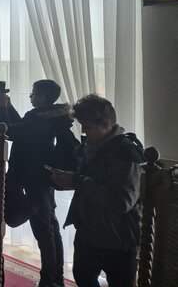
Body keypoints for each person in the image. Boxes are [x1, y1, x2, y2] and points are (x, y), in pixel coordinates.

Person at [50, 95, 144, 287]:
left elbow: (122, 201)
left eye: (87, 126)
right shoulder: (91, 148)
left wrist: (77, 181)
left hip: (118, 239)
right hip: (89, 232)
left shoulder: (126, 152)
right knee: (83, 277)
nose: (83, 131)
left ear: (106, 124)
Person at [0, 79, 72, 287]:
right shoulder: (45, 116)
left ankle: (50, 280)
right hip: (39, 177)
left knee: (44, 231)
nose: (31, 97)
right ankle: (54, 278)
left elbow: (8, 131)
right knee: (49, 227)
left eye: (33, 93)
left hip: (35, 179)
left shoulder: (42, 120)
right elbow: (21, 128)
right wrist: (8, 106)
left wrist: (2, 108)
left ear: (42, 98)